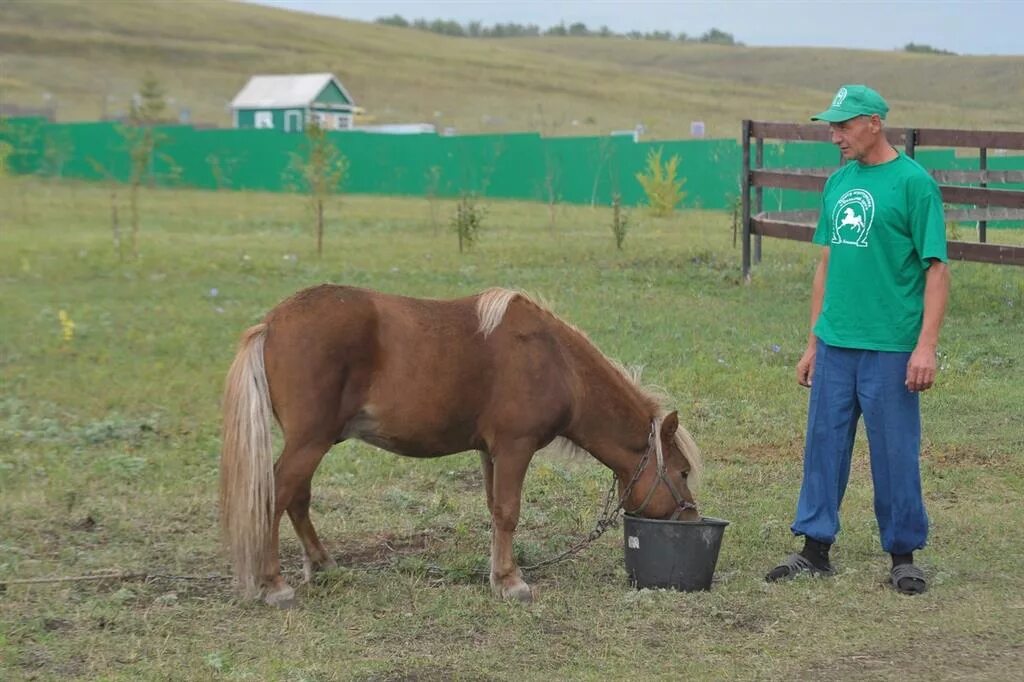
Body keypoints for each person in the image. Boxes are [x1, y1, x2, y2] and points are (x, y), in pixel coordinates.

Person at [765, 84, 950, 595]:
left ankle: (903, 555)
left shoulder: (915, 185)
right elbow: (826, 264)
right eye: (832, 126)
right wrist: (811, 342)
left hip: (891, 346)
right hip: (835, 343)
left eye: (843, 126)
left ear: (873, 122)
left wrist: (925, 345)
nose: (834, 136)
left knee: (894, 451)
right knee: (824, 446)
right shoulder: (839, 183)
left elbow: (937, 270)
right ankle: (814, 549)